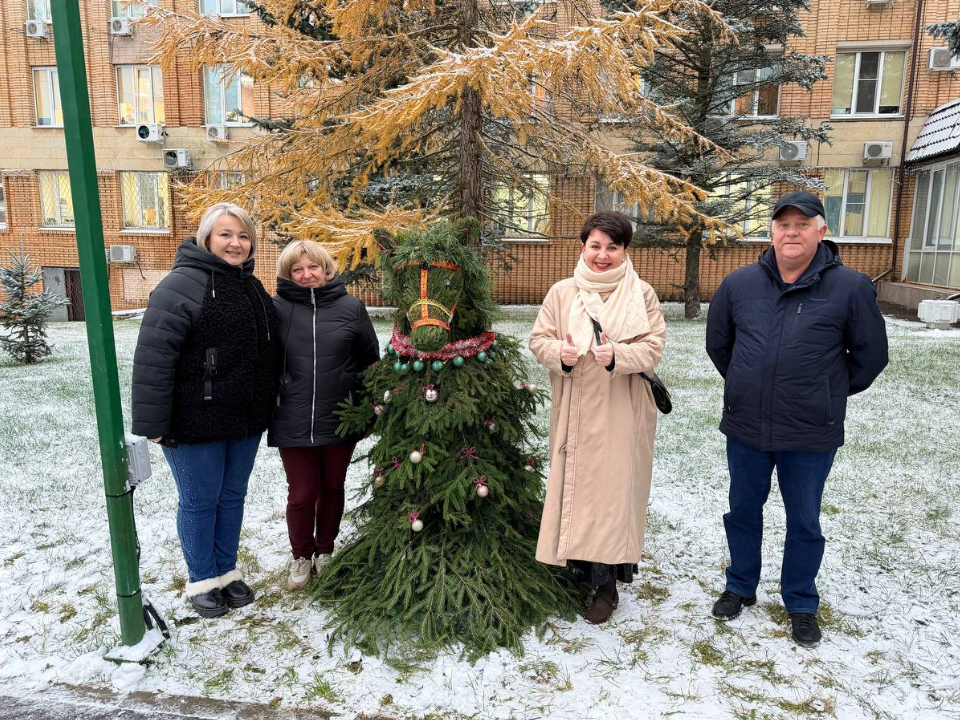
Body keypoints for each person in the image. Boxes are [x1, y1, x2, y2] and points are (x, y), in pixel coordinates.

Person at [705, 191, 888, 647]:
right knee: (743, 509)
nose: (792, 231)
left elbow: (870, 357)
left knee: (804, 518)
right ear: (771, 231)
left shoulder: (851, 287)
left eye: (802, 224)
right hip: (747, 426)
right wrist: (752, 383)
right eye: (783, 223)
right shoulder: (739, 284)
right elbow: (719, 345)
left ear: (821, 231)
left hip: (809, 431)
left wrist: (825, 392)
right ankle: (740, 585)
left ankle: (801, 601)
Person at [131, 202, 279, 618]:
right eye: (226, 234)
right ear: (207, 238)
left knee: (232, 497)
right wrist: (153, 425)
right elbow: (153, 359)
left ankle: (226, 572)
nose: (236, 243)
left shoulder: (251, 285)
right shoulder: (180, 285)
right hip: (192, 419)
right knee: (199, 500)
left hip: (244, 418)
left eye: (243, 236)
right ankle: (202, 579)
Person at [529, 211, 666, 624]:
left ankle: (606, 583)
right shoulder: (562, 292)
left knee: (612, 493)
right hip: (575, 406)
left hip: (622, 407)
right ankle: (575, 568)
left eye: (613, 247)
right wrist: (560, 355)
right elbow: (539, 339)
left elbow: (653, 347)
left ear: (625, 250)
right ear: (583, 246)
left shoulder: (641, 293)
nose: (603, 255)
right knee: (577, 485)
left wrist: (618, 356)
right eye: (595, 246)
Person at [268, 240, 379, 590]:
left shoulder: (352, 308)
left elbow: (370, 362)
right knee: (302, 492)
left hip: (340, 416)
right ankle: (301, 554)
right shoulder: (275, 309)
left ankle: (325, 550)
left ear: (326, 268)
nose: (306, 275)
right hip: (292, 416)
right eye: (297, 270)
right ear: (288, 275)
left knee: (332, 486)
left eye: (312, 267)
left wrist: (368, 410)